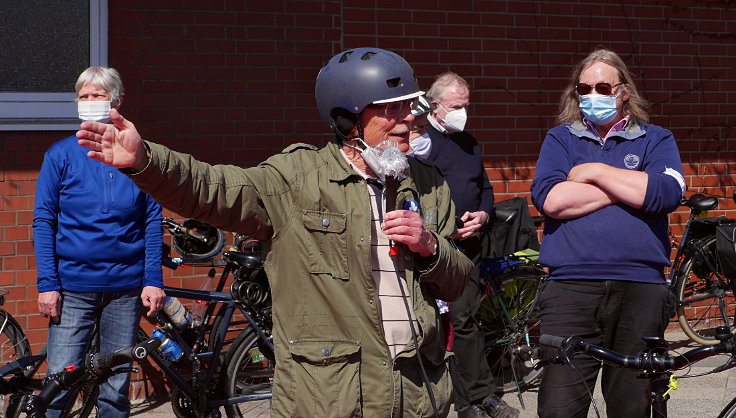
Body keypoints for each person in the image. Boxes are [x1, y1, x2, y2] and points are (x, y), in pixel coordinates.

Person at [76, 48, 474, 417]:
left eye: (410, 106)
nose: (408, 119)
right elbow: (214, 188)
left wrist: (430, 247)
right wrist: (145, 161)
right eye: (392, 109)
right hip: (332, 401)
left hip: (417, 395)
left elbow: (457, 282)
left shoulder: (427, 184)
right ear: (347, 119)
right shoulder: (297, 180)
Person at [530, 48, 685, 418]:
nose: (592, 95)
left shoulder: (656, 138)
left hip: (640, 289)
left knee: (632, 406)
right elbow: (551, 199)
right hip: (570, 290)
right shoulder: (560, 139)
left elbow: (664, 193)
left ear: (623, 91)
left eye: (602, 86)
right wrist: (631, 189)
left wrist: (595, 170)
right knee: (559, 408)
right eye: (584, 88)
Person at [33, 66, 166, 418]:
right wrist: (48, 283)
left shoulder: (138, 157)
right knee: (58, 388)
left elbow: (152, 219)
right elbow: (43, 221)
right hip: (73, 289)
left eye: (99, 95)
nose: (90, 101)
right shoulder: (60, 155)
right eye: (84, 96)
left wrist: (153, 279)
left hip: (125, 291)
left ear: (116, 101)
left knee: (115, 391)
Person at [425, 73, 517, 418]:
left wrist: (482, 214)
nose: (463, 112)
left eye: (466, 105)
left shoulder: (469, 142)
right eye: (456, 107)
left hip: (470, 247)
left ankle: (475, 397)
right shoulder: (421, 142)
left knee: (466, 320)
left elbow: (485, 188)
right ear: (435, 107)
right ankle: (470, 397)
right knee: (451, 323)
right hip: (436, 249)